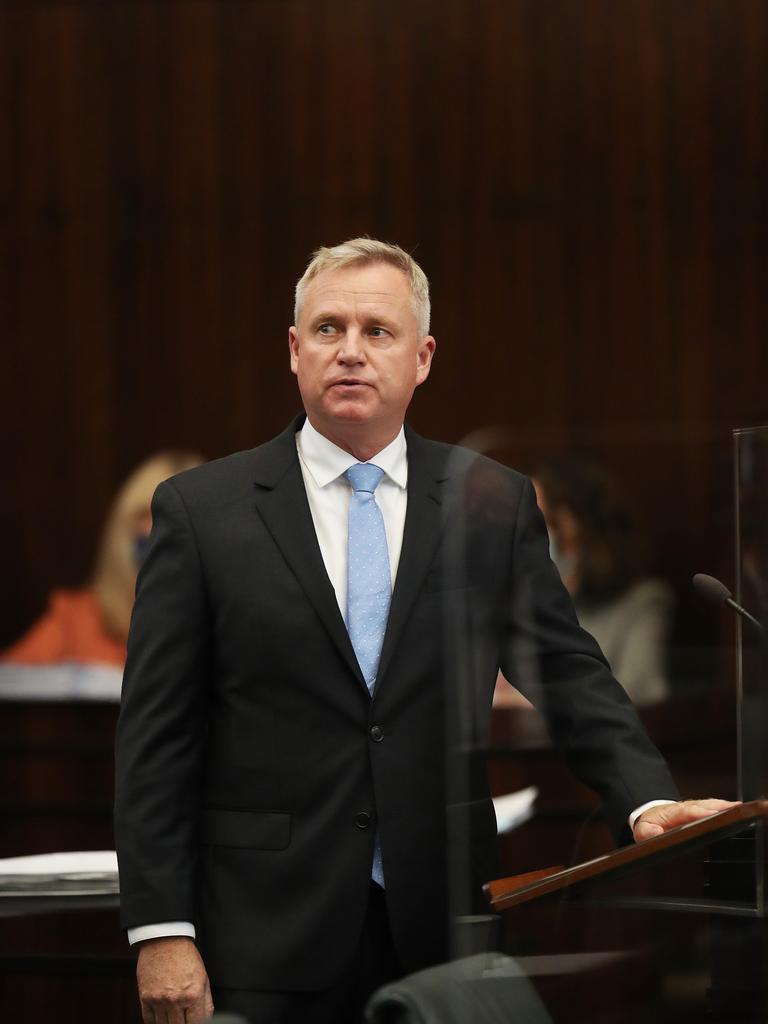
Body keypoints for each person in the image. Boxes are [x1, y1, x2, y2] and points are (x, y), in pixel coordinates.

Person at [114, 238, 735, 1024]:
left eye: (379, 331)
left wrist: (646, 804)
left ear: (423, 358)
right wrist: (162, 929)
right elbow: (156, 738)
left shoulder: (489, 499)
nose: (351, 352)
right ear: (294, 350)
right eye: (330, 329)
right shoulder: (203, 511)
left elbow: (570, 674)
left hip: (442, 922)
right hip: (264, 931)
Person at [2, 451, 202, 668]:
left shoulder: (233, 626)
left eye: (186, 517)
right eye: (150, 514)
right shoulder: (75, 620)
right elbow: (11, 681)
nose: (162, 531)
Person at [532, 456, 673, 705]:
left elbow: (641, 693)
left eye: (539, 522)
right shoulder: (516, 604)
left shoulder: (643, 601)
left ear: (574, 525)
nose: (528, 536)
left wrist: (539, 701)